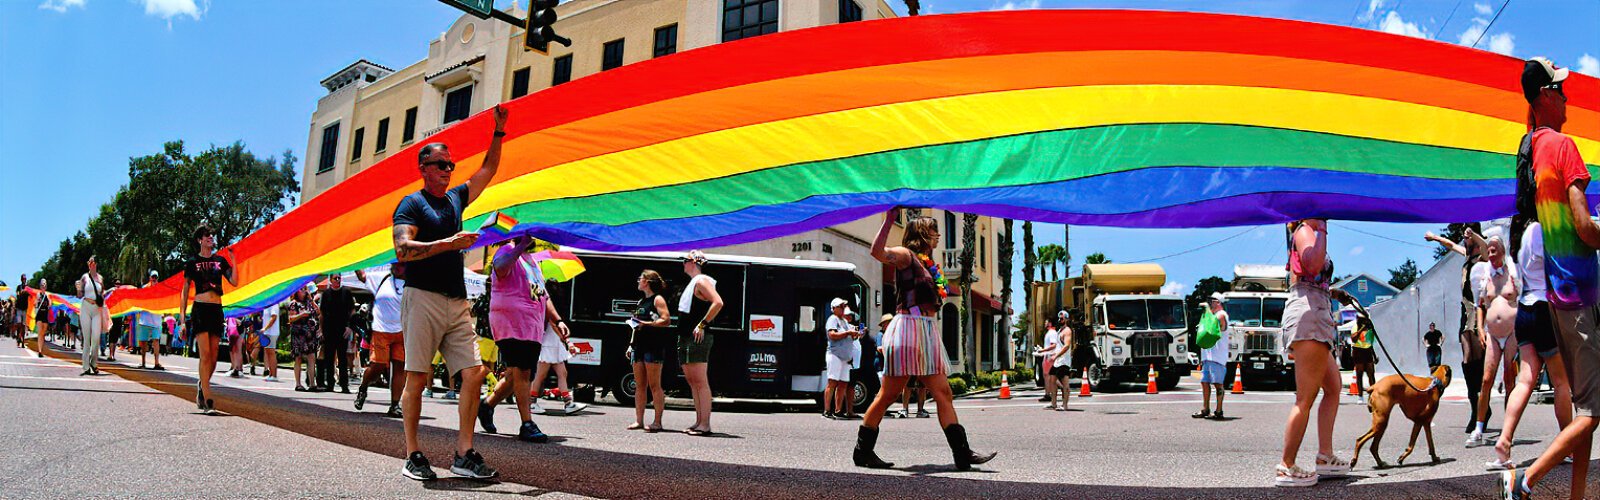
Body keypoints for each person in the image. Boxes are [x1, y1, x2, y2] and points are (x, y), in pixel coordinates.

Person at [1501, 56, 1599, 500]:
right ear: (1544, 95)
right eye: (1559, 89)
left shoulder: (1533, 148)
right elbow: (1585, 228)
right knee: (1593, 410)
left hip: (1559, 297)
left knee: (1584, 408)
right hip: (1581, 293)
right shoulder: (1563, 146)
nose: (1567, 97)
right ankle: (1525, 479)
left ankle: (1578, 495)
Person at [392, 106, 507, 481]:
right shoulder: (411, 204)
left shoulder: (456, 198)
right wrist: (448, 243)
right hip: (422, 297)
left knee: (473, 374)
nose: (447, 170)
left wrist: (498, 132)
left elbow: (487, 171)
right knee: (418, 378)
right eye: (440, 164)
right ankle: (413, 454)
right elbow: (402, 250)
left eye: (450, 165)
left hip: (456, 301)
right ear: (423, 169)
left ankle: (463, 452)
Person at [855, 208, 995, 471]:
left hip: (927, 329)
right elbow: (877, 253)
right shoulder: (906, 255)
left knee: (944, 392)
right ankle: (862, 452)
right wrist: (888, 220)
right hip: (908, 328)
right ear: (921, 233)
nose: (938, 235)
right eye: (934, 231)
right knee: (888, 394)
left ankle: (962, 454)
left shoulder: (928, 263)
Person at [1491, 218, 1573, 470]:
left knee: (1526, 379)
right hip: (1542, 307)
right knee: (1560, 381)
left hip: (1525, 311)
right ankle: (1565, 445)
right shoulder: (1538, 229)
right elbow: (1555, 269)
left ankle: (1504, 441)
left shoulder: (1518, 234)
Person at [1275, 219, 1352, 487]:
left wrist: (1334, 292)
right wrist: (1321, 228)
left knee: (1333, 387)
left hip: (1316, 310)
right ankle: (1286, 466)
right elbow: (1313, 264)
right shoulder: (1306, 230)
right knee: (1304, 399)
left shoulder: (1304, 231)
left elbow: (1311, 274)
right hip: (1310, 316)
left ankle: (1325, 457)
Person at [476, 236, 564, 442]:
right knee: (523, 371)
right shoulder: (506, 251)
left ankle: (487, 405)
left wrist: (557, 321)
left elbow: (543, 295)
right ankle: (527, 424)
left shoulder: (533, 262)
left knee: (517, 374)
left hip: (531, 325)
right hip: (511, 323)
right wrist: (520, 246)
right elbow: (500, 267)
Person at [1429, 227, 1492, 433]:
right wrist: (1435, 237)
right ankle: (1475, 407)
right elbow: (1450, 245)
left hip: (1479, 312)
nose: (1465, 240)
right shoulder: (1466, 255)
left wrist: (1473, 234)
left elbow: (1484, 244)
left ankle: (1481, 410)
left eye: (1467, 238)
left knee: (1478, 361)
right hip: (1465, 312)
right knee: (1467, 361)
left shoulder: (1483, 256)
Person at [178, 224, 237, 414]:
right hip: (200, 309)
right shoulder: (192, 262)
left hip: (216, 309)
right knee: (205, 355)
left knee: (213, 357)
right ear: (199, 240)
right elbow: (185, 290)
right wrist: (181, 320)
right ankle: (208, 399)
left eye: (211, 235)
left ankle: (202, 386)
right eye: (206, 236)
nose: (210, 238)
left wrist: (234, 261)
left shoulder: (220, 260)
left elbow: (234, 281)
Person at [1471, 229, 1520, 448]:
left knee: (1510, 380)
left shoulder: (1513, 275)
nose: (1490, 254)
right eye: (1488, 251)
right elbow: (1481, 305)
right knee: (1486, 380)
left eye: (1493, 250)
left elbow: (1523, 299)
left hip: (1511, 333)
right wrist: (1479, 328)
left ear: (1502, 251)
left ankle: (1508, 431)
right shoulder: (1485, 277)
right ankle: (1479, 428)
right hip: (1492, 333)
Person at [678, 250, 724, 435]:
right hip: (687, 336)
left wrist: (702, 324)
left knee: (700, 381)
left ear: (694, 263)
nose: (683, 263)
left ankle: (705, 424)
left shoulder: (702, 280)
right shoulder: (694, 282)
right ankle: (698, 422)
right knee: (692, 381)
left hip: (696, 338)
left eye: (685, 260)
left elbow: (718, 302)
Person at [355, 265, 406, 417]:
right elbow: (362, 276)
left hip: (402, 332)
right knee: (378, 366)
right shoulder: (382, 278)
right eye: (394, 264)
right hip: (381, 330)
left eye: (401, 264)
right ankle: (363, 387)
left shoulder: (413, 283)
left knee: (399, 367)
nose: (396, 267)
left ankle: (395, 405)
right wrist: (355, 260)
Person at [626, 270, 672, 432]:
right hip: (639, 346)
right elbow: (635, 325)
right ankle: (639, 420)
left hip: (654, 346)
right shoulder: (641, 301)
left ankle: (657, 422)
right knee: (640, 385)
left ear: (648, 282)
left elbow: (666, 319)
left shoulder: (657, 299)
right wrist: (631, 345)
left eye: (641, 278)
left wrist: (647, 324)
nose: (638, 281)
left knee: (654, 385)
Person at [316, 273, 355, 393]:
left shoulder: (346, 293)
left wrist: (350, 327)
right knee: (329, 358)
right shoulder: (326, 294)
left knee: (343, 359)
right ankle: (330, 384)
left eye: (339, 278)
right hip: (329, 330)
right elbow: (321, 314)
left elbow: (352, 311)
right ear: (330, 280)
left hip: (343, 330)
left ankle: (344, 384)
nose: (337, 280)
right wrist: (321, 329)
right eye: (335, 278)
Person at [1194, 294, 1229, 419]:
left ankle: (1219, 410)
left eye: (1212, 301)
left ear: (1218, 302)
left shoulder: (1221, 315)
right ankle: (1205, 408)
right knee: (1204, 382)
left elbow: (1213, 325)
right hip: (1207, 356)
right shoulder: (1210, 316)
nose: (1209, 303)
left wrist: (1207, 310)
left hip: (1217, 357)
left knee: (1217, 384)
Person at [823, 298, 856, 420]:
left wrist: (855, 334)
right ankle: (826, 410)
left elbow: (850, 337)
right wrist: (848, 333)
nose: (843, 308)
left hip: (845, 357)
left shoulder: (844, 322)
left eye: (843, 306)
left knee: (843, 383)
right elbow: (832, 335)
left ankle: (838, 410)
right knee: (832, 382)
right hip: (835, 354)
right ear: (834, 308)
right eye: (840, 306)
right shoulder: (833, 319)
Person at [76, 255, 108, 376]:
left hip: (97, 309)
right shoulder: (84, 277)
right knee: (87, 339)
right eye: (90, 262)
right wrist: (78, 289)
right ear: (88, 264)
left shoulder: (100, 278)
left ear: (96, 264)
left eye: (94, 262)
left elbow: (102, 293)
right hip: (86, 307)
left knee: (96, 338)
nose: (92, 264)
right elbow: (80, 295)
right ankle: (85, 366)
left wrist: (103, 301)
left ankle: (94, 362)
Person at [287, 286, 320, 392]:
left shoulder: (309, 303)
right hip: (298, 334)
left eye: (305, 289)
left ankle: (312, 383)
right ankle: (298, 384)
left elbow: (318, 312)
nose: (304, 292)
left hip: (310, 334)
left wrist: (311, 299)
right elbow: (290, 319)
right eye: (302, 289)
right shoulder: (294, 304)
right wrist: (302, 315)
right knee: (298, 358)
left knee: (312, 358)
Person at [1032, 318, 1063, 410]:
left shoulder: (1052, 333)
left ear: (1049, 323)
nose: (1044, 323)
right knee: (1047, 376)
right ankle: (1047, 394)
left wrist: (1043, 350)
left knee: (1050, 376)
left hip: (1050, 356)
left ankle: (1062, 388)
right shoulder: (1050, 333)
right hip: (1047, 356)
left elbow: (1053, 345)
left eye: (1046, 322)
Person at [1046, 316, 1073, 411]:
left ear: (1066, 319)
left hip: (1064, 362)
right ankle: (1053, 403)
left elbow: (1066, 346)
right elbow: (1058, 347)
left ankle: (1065, 405)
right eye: (1058, 318)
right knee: (1052, 381)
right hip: (1057, 361)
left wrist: (1056, 356)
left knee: (1065, 384)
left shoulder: (1067, 331)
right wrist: (1052, 354)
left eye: (1061, 319)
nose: (1059, 320)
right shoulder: (1059, 331)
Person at [259, 301, 280, 382]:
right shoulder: (266, 305)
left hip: (272, 332)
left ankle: (274, 375)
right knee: (268, 353)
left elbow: (274, 317)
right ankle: (271, 374)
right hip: (267, 333)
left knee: (271, 353)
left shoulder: (274, 304)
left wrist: (265, 328)